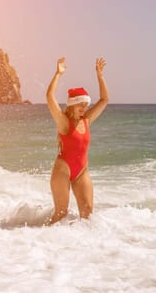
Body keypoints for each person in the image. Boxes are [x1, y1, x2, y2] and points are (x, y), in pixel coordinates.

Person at [46, 57, 109, 224]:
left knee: (88, 213)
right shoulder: (64, 123)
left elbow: (104, 100)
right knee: (61, 213)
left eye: (85, 105)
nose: (84, 109)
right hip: (63, 171)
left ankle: (84, 247)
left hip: (82, 171)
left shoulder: (86, 120)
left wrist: (100, 75)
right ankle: (41, 240)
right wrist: (58, 74)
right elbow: (50, 96)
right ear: (72, 106)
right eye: (80, 105)